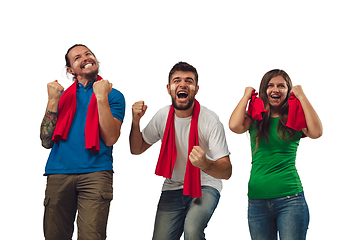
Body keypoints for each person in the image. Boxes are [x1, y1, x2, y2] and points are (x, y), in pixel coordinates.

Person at [130, 62, 232, 240]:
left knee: (192, 231)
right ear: (169, 88)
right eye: (177, 80)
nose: (183, 84)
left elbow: (227, 171)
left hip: (205, 185)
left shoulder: (209, 120)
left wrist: (205, 164)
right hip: (173, 187)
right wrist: (135, 121)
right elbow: (136, 149)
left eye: (189, 81)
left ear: (196, 89)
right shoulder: (163, 116)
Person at [40, 44, 125, 240]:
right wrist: (52, 101)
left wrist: (101, 96)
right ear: (70, 70)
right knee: (54, 236)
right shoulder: (61, 97)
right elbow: (46, 140)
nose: (85, 58)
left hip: (96, 173)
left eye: (88, 54)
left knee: (91, 236)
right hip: (58, 173)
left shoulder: (114, 95)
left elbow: (111, 138)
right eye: (77, 57)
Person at [229, 69, 322, 240]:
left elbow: (316, 132)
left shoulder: (294, 118)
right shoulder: (256, 117)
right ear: (264, 90)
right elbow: (234, 126)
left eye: (281, 86)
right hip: (257, 201)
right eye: (270, 86)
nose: (275, 89)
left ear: (288, 90)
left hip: (290, 199)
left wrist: (302, 96)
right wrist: (246, 96)